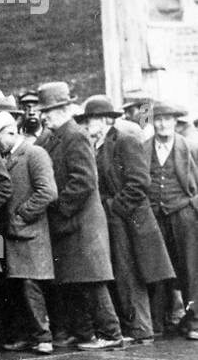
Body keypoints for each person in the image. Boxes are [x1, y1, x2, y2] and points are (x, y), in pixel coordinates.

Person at [79, 96, 172, 345]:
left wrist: (114, 207)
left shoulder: (124, 140)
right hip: (114, 219)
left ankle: (141, 329)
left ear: (105, 120)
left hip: (129, 219)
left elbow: (140, 182)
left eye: (92, 119)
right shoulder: (97, 145)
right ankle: (134, 327)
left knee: (130, 273)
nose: (88, 125)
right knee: (122, 272)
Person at [37, 82, 123, 350]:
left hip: (81, 223)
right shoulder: (55, 137)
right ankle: (85, 334)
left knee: (92, 281)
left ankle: (111, 334)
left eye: (49, 110)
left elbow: (84, 181)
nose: (44, 116)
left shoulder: (74, 135)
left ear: (63, 109)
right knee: (74, 280)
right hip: (71, 223)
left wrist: (59, 208)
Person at [0, 112, 57, 353]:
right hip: (6, 235)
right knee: (11, 284)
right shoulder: (6, 156)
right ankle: (24, 334)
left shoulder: (34, 153)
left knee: (29, 284)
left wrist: (21, 216)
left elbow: (47, 191)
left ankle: (43, 336)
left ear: (11, 132)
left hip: (28, 233)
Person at [147, 101, 198, 340]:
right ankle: (161, 320)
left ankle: (194, 320)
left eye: (167, 119)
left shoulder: (190, 148)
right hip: (155, 216)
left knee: (189, 268)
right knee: (158, 268)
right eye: (158, 119)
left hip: (183, 215)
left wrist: (192, 206)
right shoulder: (144, 148)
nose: (163, 124)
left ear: (175, 122)